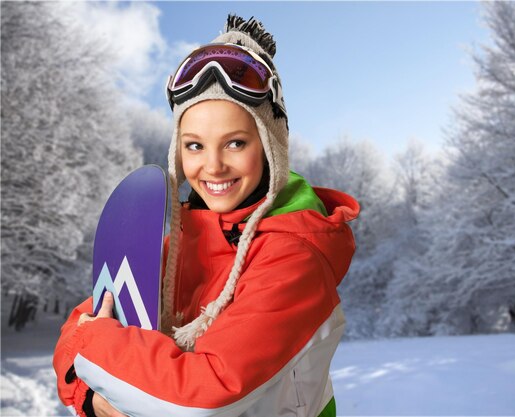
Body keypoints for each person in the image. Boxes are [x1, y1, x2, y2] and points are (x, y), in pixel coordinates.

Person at [53, 14, 359, 417]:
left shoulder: (294, 255)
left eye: (234, 143)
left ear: (271, 147)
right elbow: (73, 334)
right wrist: (92, 399)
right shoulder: (179, 245)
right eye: (194, 145)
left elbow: (205, 395)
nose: (212, 167)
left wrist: (94, 343)